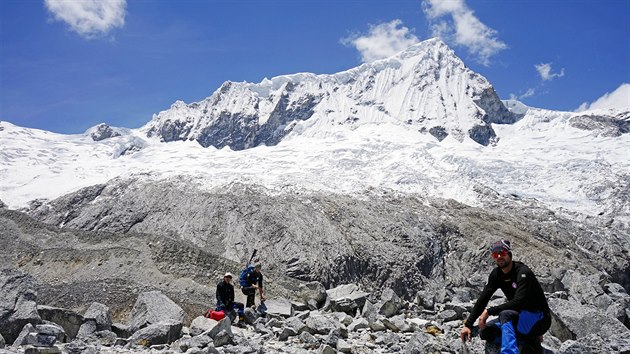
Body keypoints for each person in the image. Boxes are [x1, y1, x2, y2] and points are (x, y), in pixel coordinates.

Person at [460, 240, 551, 354]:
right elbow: (483, 298)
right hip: (518, 316)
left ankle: (511, 351)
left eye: (502, 253)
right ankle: (527, 340)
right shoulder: (496, 274)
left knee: (505, 314)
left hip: (539, 318)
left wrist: (488, 312)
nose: (499, 256)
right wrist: (468, 324)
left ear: (509, 254)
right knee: (485, 332)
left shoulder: (522, 272)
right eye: (495, 254)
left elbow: (518, 302)